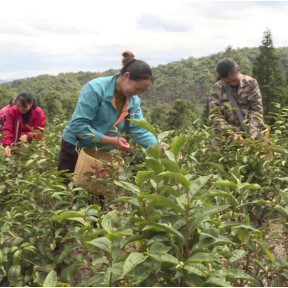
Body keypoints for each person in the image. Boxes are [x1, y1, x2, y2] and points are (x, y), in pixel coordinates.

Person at [58, 51, 165, 174]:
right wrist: (111, 140)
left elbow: (139, 129)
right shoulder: (95, 89)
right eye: (137, 88)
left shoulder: (133, 101)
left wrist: (159, 146)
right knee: (68, 187)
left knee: (98, 191)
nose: (138, 93)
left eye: (142, 91)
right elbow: (78, 125)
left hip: (102, 152)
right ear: (126, 76)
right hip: (75, 147)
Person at [209, 57, 265, 143]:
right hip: (226, 141)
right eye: (228, 82)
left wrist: (252, 135)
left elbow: (257, 110)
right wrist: (231, 135)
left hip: (252, 137)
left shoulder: (251, 83)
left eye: (235, 79)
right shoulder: (216, 89)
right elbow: (215, 117)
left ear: (238, 68)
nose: (232, 83)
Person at [2, 91, 46, 156]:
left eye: (24, 107)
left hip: (33, 144)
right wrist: (7, 144)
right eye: (18, 106)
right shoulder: (13, 110)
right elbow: (8, 128)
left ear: (31, 104)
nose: (21, 109)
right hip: (15, 143)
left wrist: (28, 135)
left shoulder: (38, 112)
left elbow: (39, 132)